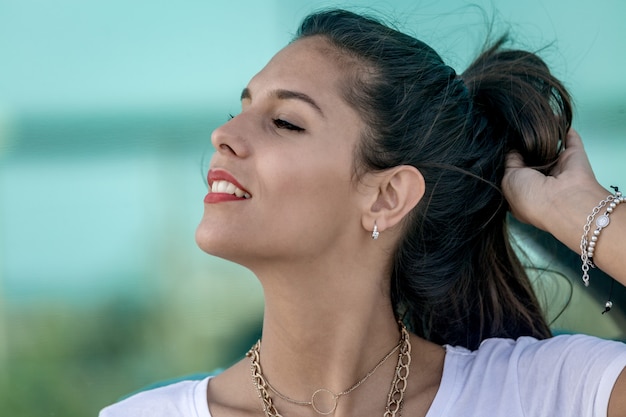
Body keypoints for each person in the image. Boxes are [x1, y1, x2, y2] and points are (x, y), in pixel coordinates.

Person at [100, 9, 626, 417]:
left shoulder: (548, 394)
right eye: (238, 110)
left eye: (285, 122)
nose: (224, 136)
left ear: (387, 195)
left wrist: (582, 214)